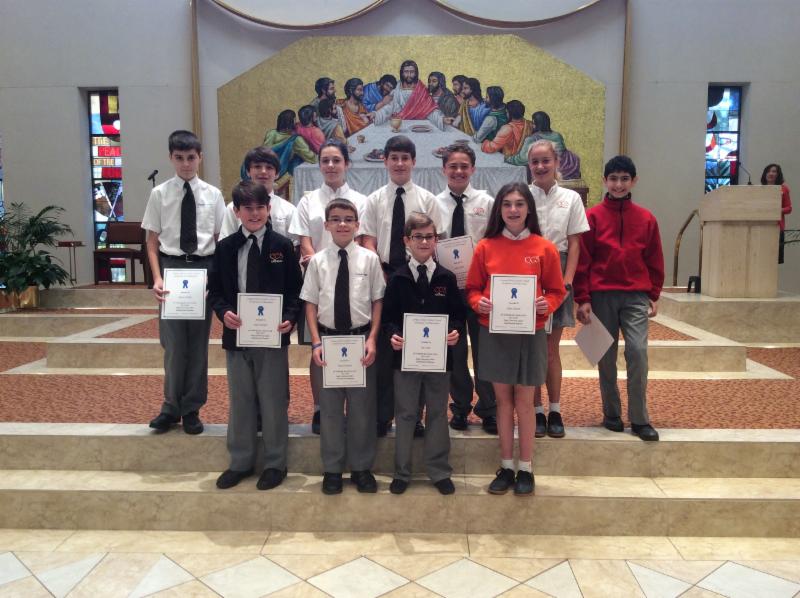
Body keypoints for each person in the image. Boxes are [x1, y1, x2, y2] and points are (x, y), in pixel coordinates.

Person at [465, 182, 566, 495]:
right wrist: (478, 302)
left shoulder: (544, 248)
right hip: (495, 333)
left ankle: (526, 468)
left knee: (524, 401)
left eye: (519, 204)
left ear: (528, 209)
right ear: (499, 209)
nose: (513, 210)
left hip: (530, 333)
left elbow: (557, 290)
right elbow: (472, 289)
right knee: (503, 402)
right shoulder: (485, 247)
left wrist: (547, 304)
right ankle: (506, 466)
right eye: (507, 204)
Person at [208, 180, 303, 489]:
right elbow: (215, 291)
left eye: (260, 207)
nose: (254, 213)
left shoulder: (282, 246)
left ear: (269, 209)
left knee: (273, 401)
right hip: (237, 337)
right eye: (247, 208)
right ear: (236, 212)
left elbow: (295, 291)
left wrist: (290, 318)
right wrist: (224, 312)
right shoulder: (225, 248)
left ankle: (275, 463)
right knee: (241, 400)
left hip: (272, 337)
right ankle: (240, 462)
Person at [574, 155, 663, 441]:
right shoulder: (592, 217)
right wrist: (583, 298)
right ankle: (611, 412)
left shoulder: (646, 218)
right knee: (604, 356)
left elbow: (654, 258)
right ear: (605, 181)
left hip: (635, 295)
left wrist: (654, 293)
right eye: (613, 179)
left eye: (625, 179)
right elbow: (584, 261)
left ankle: (639, 418)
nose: (618, 184)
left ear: (634, 181)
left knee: (637, 352)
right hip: (602, 294)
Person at [142, 130, 226, 435]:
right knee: (174, 345)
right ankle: (170, 407)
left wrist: (215, 279)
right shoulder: (160, 194)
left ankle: (191, 408)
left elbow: (220, 240)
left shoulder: (213, 195)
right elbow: (152, 241)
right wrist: (157, 277)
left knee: (198, 345)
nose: (186, 164)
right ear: (171, 158)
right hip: (172, 270)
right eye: (179, 158)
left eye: (191, 157)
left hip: (203, 269)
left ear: (200, 157)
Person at [300, 198, 386, 494]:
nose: (342, 224)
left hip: (361, 341)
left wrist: (372, 338)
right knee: (331, 410)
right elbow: (310, 304)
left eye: (348, 219)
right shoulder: (317, 262)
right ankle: (333, 469)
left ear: (357, 224)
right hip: (329, 342)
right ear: (326, 225)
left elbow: (377, 301)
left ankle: (361, 468)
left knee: (362, 410)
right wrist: (315, 342)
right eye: (336, 219)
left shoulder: (369, 260)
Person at [361, 135, 445, 437]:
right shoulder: (373, 200)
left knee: (417, 348)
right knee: (386, 351)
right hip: (385, 277)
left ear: (413, 162)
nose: (399, 163)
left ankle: (415, 417)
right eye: (394, 158)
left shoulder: (427, 200)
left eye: (405, 158)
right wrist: (381, 275)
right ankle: (383, 415)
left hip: (416, 279)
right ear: (384, 161)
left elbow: (435, 241)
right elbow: (368, 241)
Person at [383, 213, 465, 495]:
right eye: (418, 237)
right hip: (404, 359)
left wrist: (454, 331)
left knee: (438, 413)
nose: (424, 242)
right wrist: (393, 334)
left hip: (439, 360)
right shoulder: (397, 279)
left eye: (429, 236)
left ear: (436, 240)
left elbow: (458, 316)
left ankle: (439, 470)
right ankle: (401, 471)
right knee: (406, 413)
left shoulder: (446, 278)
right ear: (406, 240)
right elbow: (388, 318)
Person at [289, 140, 368, 435]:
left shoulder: (361, 200)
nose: (331, 166)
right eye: (325, 160)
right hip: (318, 283)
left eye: (336, 160)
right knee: (318, 347)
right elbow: (304, 241)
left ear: (347, 163)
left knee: (353, 346)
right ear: (319, 165)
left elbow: (362, 240)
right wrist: (317, 264)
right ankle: (321, 407)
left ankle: (354, 407)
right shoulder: (308, 200)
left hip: (353, 282)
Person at [528, 139, 589, 439]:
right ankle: (536, 410)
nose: (540, 166)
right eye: (535, 162)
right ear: (529, 165)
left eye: (546, 161)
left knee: (551, 349)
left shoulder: (571, 198)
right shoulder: (521, 195)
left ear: (556, 162)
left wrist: (567, 281)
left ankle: (555, 410)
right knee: (532, 348)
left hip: (559, 274)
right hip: (528, 272)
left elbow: (575, 244)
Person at [434, 144, 497, 434]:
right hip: (448, 291)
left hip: (481, 289)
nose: (458, 171)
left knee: (485, 351)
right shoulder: (434, 204)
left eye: (464, 166)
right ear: (444, 169)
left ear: (473, 169)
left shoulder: (487, 202)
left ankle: (489, 408)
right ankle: (460, 406)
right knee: (455, 352)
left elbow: (496, 242)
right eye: (453, 166)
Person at [221, 147, 299, 247]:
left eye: (269, 167)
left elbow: (295, 245)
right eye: (257, 167)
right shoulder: (234, 208)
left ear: (277, 174)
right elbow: (225, 244)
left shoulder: (289, 210)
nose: (263, 171)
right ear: (248, 171)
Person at [373, 60, 446, 130]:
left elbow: (430, 110)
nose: (409, 75)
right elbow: (389, 108)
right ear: (402, 73)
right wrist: (376, 115)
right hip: (400, 126)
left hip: (419, 126)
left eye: (412, 72)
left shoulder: (422, 90)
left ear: (416, 73)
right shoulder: (396, 89)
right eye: (406, 72)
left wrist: (442, 119)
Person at [508, 112, 581, 180]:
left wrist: (509, 159)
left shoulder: (532, 139)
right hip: (565, 171)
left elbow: (522, 159)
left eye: (533, 123)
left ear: (536, 124)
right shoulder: (557, 135)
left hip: (545, 173)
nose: (532, 125)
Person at [262, 109, 317, 180]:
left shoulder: (271, 133)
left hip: (264, 169)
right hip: (279, 171)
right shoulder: (295, 139)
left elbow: (264, 152)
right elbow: (312, 158)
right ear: (292, 122)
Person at [761, 163, 792, 264]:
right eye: (768, 171)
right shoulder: (760, 190)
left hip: (777, 227)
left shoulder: (783, 189)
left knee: (774, 260)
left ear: (778, 174)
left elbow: (789, 208)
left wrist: (776, 210)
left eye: (774, 171)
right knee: (761, 258)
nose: (770, 173)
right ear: (765, 174)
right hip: (761, 227)